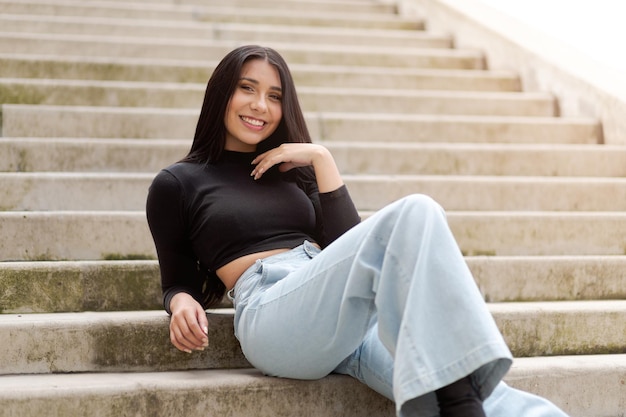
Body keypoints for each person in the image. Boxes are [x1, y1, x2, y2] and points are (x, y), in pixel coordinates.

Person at [146, 45, 570, 417]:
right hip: (273, 311)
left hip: (342, 308)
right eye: (247, 88)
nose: (261, 105)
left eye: (275, 96)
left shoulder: (295, 171)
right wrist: (180, 300)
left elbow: (347, 245)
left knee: (487, 397)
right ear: (222, 91)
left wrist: (321, 159)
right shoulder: (179, 183)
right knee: (418, 211)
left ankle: (461, 403)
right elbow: (176, 279)